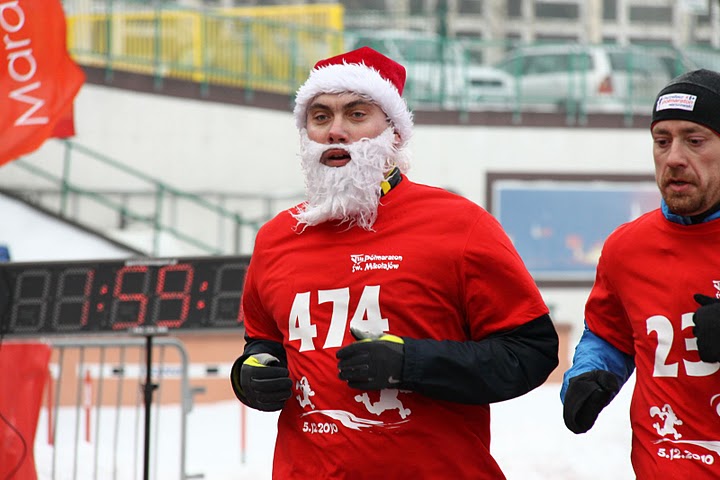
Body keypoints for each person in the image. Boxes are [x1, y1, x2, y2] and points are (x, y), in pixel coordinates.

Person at [229, 46, 559, 479]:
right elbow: (265, 343)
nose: (336, 131)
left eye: (357, 114)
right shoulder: (276, 238)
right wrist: (249, 375)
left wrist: (412, 363)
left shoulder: (460, 225)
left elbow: (532, 353)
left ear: (395, 133)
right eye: (321, 116)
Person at [561, 69, 720, 479]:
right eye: (662, 141)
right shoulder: (626, 247)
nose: (674, 158)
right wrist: (589, 374)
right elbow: (609, 333)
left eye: (695, 140)